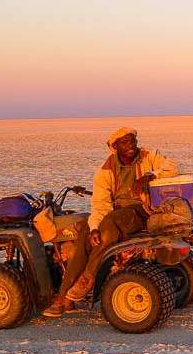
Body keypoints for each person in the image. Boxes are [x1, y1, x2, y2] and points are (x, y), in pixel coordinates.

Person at [42, 127, 179, 317]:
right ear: (114, 147)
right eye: (125, 142)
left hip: (143, 211)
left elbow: (172, 167)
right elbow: (100, 204)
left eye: (132, 140)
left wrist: (149, 175)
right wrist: (95, 228)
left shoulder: (148, 156)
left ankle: (88, 276)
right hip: (116, 213)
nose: (131, 145)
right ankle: (63, 297)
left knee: (111, 221)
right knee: (86, 234)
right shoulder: (105, 171)